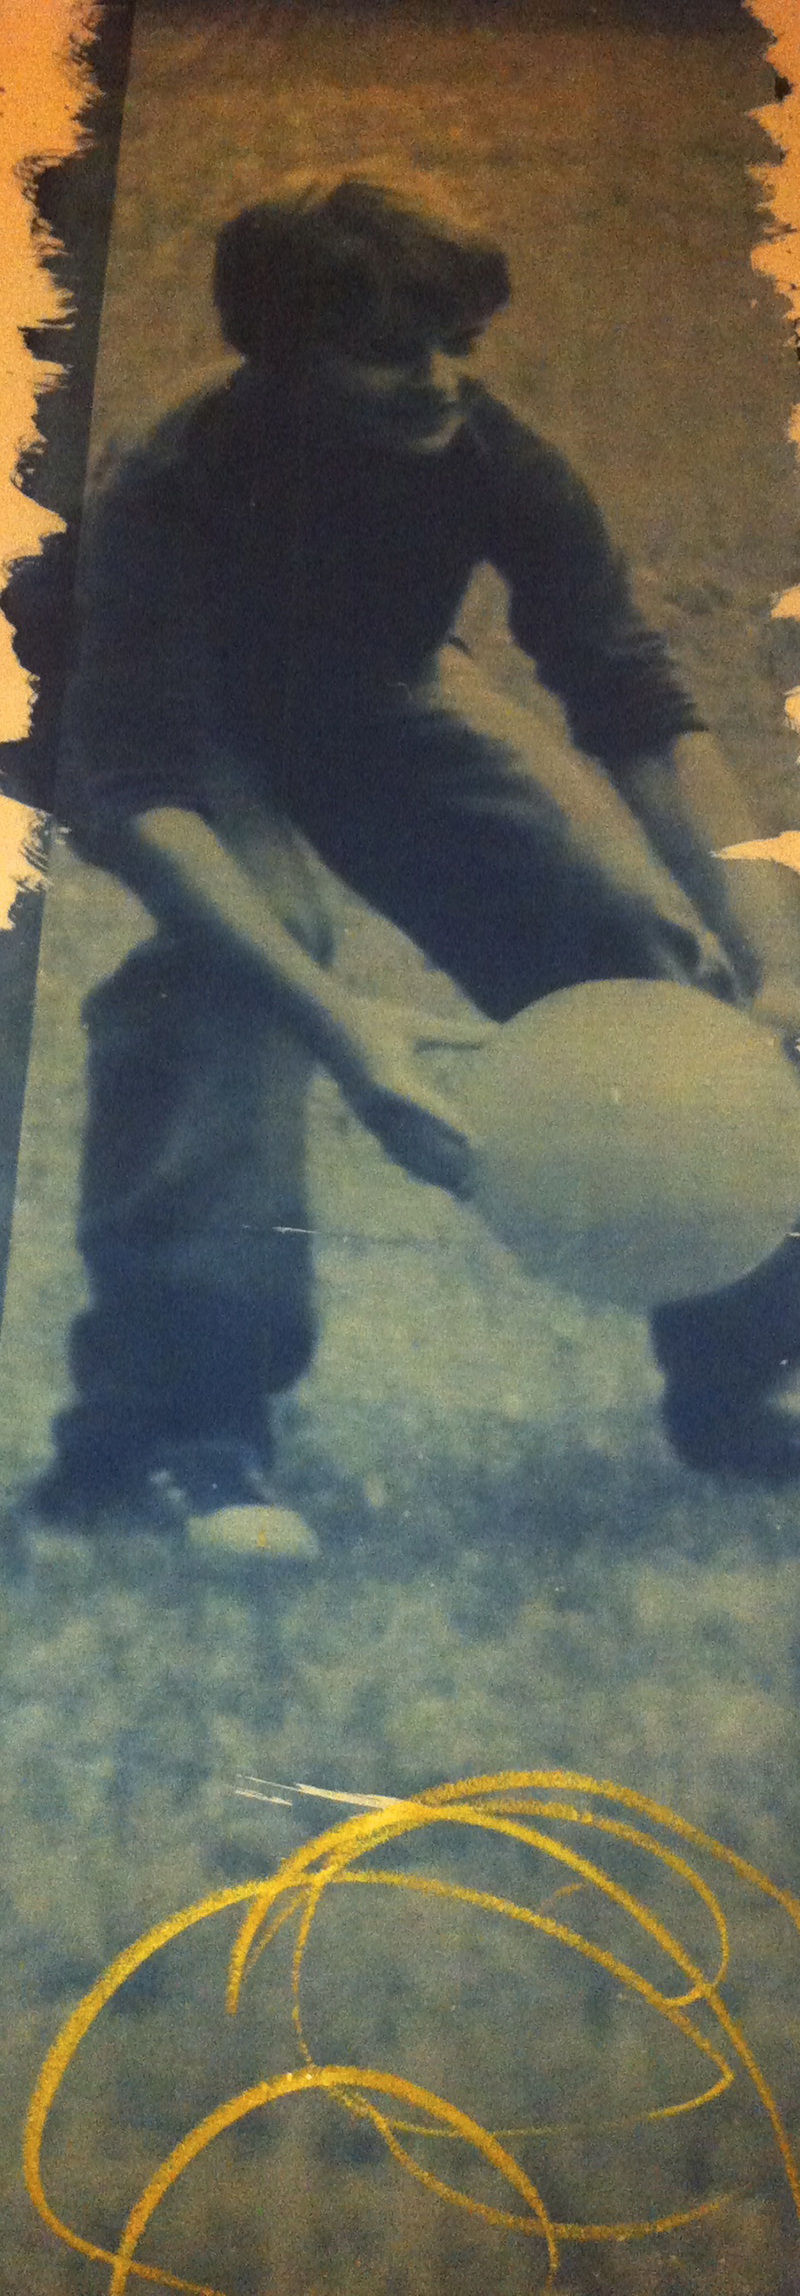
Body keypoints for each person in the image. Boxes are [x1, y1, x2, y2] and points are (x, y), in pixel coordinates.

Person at [34, 177, 800, 1534]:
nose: (441, 380)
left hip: (373, 686)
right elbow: (144, 789)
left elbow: (638, 706)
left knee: (634, 937)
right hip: (159, 727)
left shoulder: (491, 452)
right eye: (390, 353)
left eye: (460, 342)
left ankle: (754, 1377)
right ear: (279, 357)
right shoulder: (169, 489)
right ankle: (168, 1435)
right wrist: (345, 1032)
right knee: (245, 966)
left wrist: (776, 955)